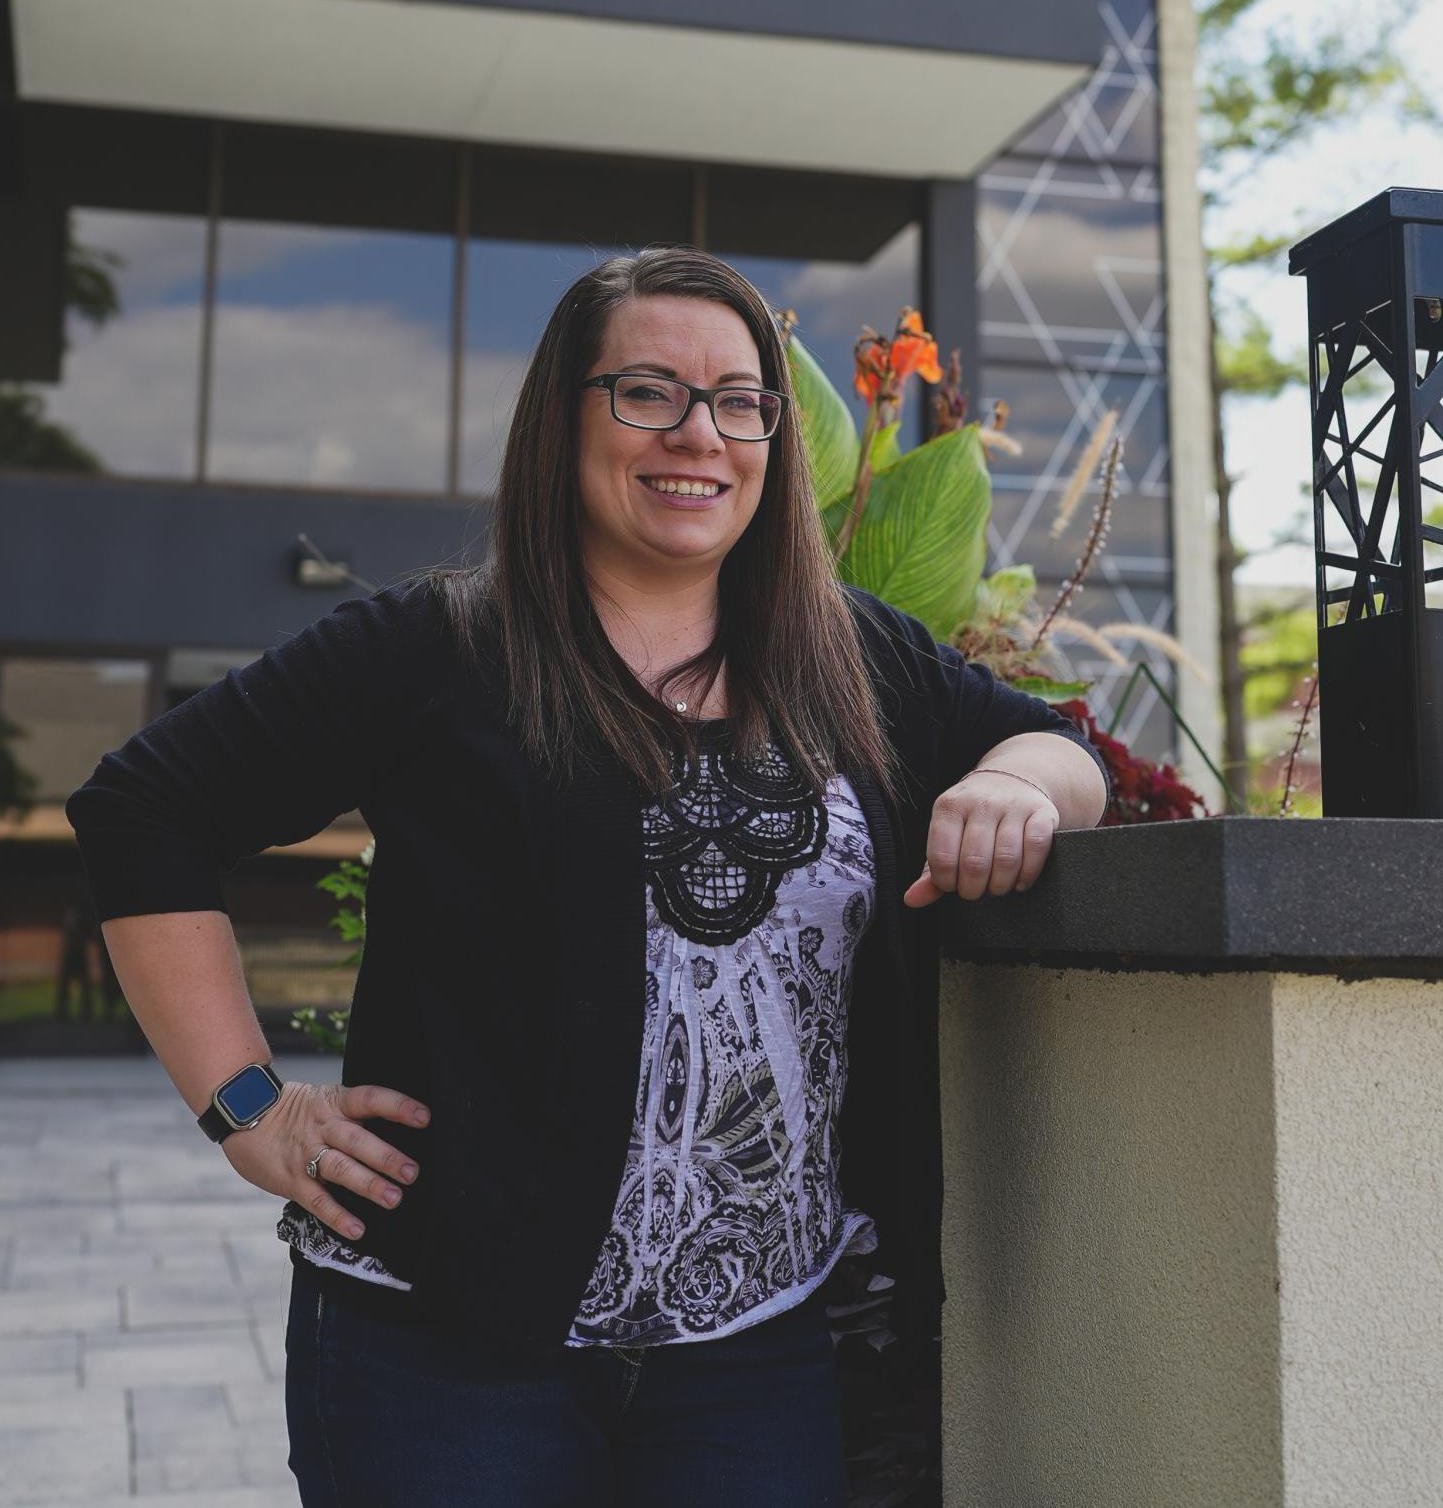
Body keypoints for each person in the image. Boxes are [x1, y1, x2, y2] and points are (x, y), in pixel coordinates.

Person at [67, 249, 1108, 1507]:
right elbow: (144, 808)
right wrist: (248, 1108)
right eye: (648, 391)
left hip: (756, 1351)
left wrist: (1020, 785)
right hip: (447, 1346)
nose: (700, 434)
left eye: (740, 400)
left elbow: (1065, 743)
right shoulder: (433, 649)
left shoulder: (847, 654)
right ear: (563, 418)